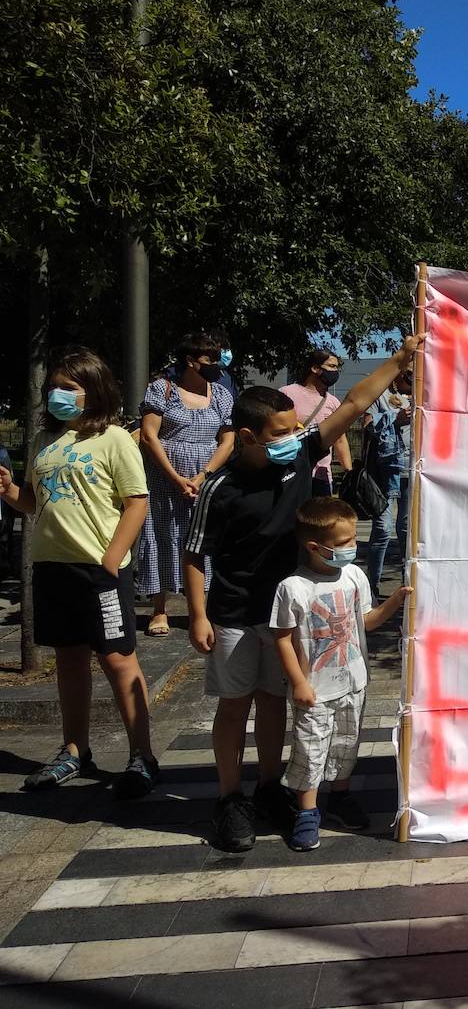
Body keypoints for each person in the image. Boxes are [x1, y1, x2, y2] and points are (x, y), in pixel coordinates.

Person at [184, 334, 424, 852]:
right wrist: (198, 615)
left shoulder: (298, 458)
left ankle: (271, 787)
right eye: (280, 433)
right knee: (234, 704)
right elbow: (194, 553)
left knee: (274, 702)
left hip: (288, 617)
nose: (294, 438)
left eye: (295, 430)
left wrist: (402, 359)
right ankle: (230, 799)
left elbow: (357, 401)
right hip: (235, 613)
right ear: (247, 437)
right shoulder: (219, 488)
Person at [0, 347, 159, 797]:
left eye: (68, 388)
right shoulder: (43, 443)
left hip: (100, 571)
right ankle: (74, 751)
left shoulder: (114, 439)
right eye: (54, 386)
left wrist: (112, 560)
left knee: (116, 659)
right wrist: (11, 490)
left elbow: (137, 502)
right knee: (69, 661)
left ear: (93, 392)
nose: (56, 394)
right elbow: (35, 503)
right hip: (53, 568)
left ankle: (141, 756)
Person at [272, 497, 409, 850]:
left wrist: (396, 600)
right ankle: (306, 811)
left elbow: (366, 620)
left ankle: (341, 797)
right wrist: (299, 682)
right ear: (314, 547)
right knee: (310, 747)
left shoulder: (353, 575)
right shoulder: (293, 588)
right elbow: (283, 640)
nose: (353, 547)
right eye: (344, 542)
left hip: (353, 682)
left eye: (353, 539)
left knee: (347, 744)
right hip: (314, 689)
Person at [138, 331, 236, 636]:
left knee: (204, 539)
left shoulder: (221, 395)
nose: (216, 364)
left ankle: (203, 607)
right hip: (165, 477)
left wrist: (204, 475)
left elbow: (228, 439)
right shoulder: (162, 390)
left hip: (206, 478)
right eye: (210, 359)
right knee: (162, 535)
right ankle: (159, 609)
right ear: (191, 361)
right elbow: (149, 436)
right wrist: (176, 477)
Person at [360, 370, 412, 597]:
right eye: (408, 374)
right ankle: (371, 588)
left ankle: (408, 586)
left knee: (407, 529)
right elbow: (368, 427)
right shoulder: (379, 394)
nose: (413, 378)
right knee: (383, 529)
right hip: (384, 470)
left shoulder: (425, 395)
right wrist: (395, 418)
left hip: (413, 469)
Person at [280, 349, 353, 496]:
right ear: (314, 368)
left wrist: (349, 472)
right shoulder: (286, 394)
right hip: (289, 472)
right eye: (331, 366)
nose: (335, 371)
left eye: (337, 367)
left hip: (321, 477)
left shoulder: (333, 403)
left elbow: (339, 440)